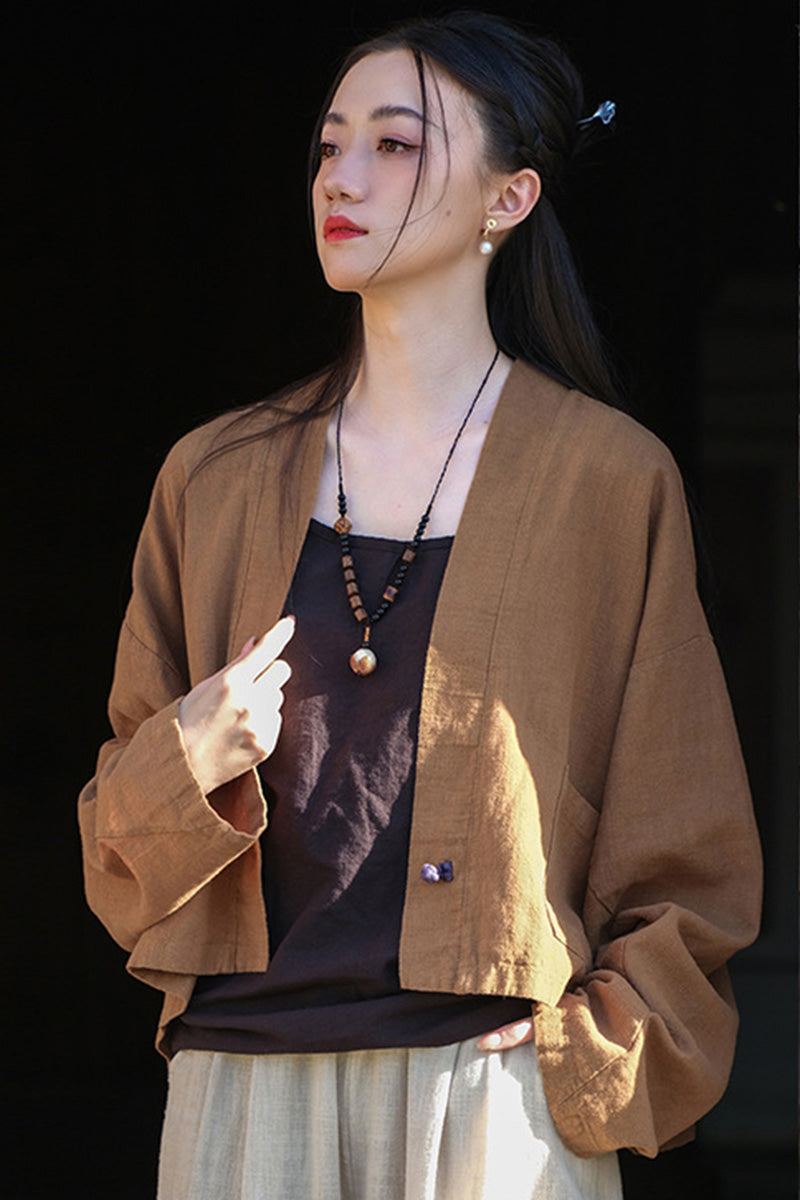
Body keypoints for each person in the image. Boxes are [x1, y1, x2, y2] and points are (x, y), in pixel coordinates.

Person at [77, 9, 763, 1199]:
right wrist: (187, 757)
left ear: (508, 199)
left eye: (395, 145)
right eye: (331, 143)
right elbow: (110, 856)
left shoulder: (607, 481)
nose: (341, 176)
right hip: (242, 1093)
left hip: (491, 1102)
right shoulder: (213, 475)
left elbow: (687, 853)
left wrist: (583, 1055)